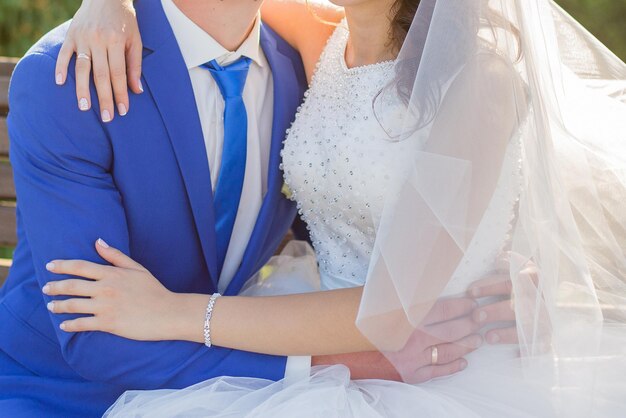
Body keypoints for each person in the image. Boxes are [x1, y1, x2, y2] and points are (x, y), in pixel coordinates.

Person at [43, 0, 626, 416]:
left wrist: (173, 313)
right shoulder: (320, 31)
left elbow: (392, 312)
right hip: (313, 309)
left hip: (436, 352)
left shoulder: (481, 82)